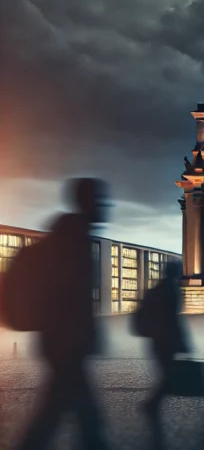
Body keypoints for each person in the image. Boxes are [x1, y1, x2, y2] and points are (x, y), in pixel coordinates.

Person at [17, 178, 110, 450]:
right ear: (88, 202)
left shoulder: (71, 235)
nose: (105, 207)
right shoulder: (72, 240)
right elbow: (68, 296)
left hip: (63, 343)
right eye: (101, 201)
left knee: (63, 415)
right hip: (66, 344)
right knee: (75, 417)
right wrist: (79, 334)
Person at [141, 261, 190, 419]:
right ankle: (152, 404)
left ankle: (152, 404)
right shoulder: (171, 290)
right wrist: (183, 341)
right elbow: (173, 319)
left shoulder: (156, 289)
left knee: (166, 373)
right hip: (166, 339)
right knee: (168, 375)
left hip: (156, 338)